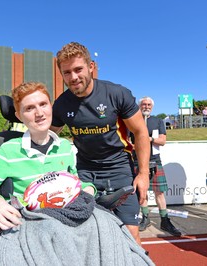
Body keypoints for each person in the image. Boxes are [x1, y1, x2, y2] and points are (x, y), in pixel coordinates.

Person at [50, 42, 150, 245]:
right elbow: (47, 137)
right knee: (84, 234)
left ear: (91, 67)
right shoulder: (61, 104)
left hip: (120, 169)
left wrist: (143, 173)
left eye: (78, 69)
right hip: (85, 172)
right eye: (67, 72)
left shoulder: (116, 94)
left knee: (130, 235)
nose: (74, 77)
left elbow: (140, 132)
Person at [0, 81, 96, 231]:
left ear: (51, 107)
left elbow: (74, 184)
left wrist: (88, 189)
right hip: (29, 227)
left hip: (65, 221)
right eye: (29, 108)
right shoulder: (9, 151)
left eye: (43, 104)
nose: (39, 113)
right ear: (19, 116)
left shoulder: (65, 147)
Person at [135, 97, 182, 236]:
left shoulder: (157, 121)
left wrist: (149, 139)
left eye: (149, 104)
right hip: (137, 160)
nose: (146, 106)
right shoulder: (134, 119)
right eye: (144, 104)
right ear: (140, 106)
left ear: (152, 107)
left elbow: (163, 141)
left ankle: (165, 220)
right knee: (141, 192)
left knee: (159, 192)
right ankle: (145, 218)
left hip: (154, 160)